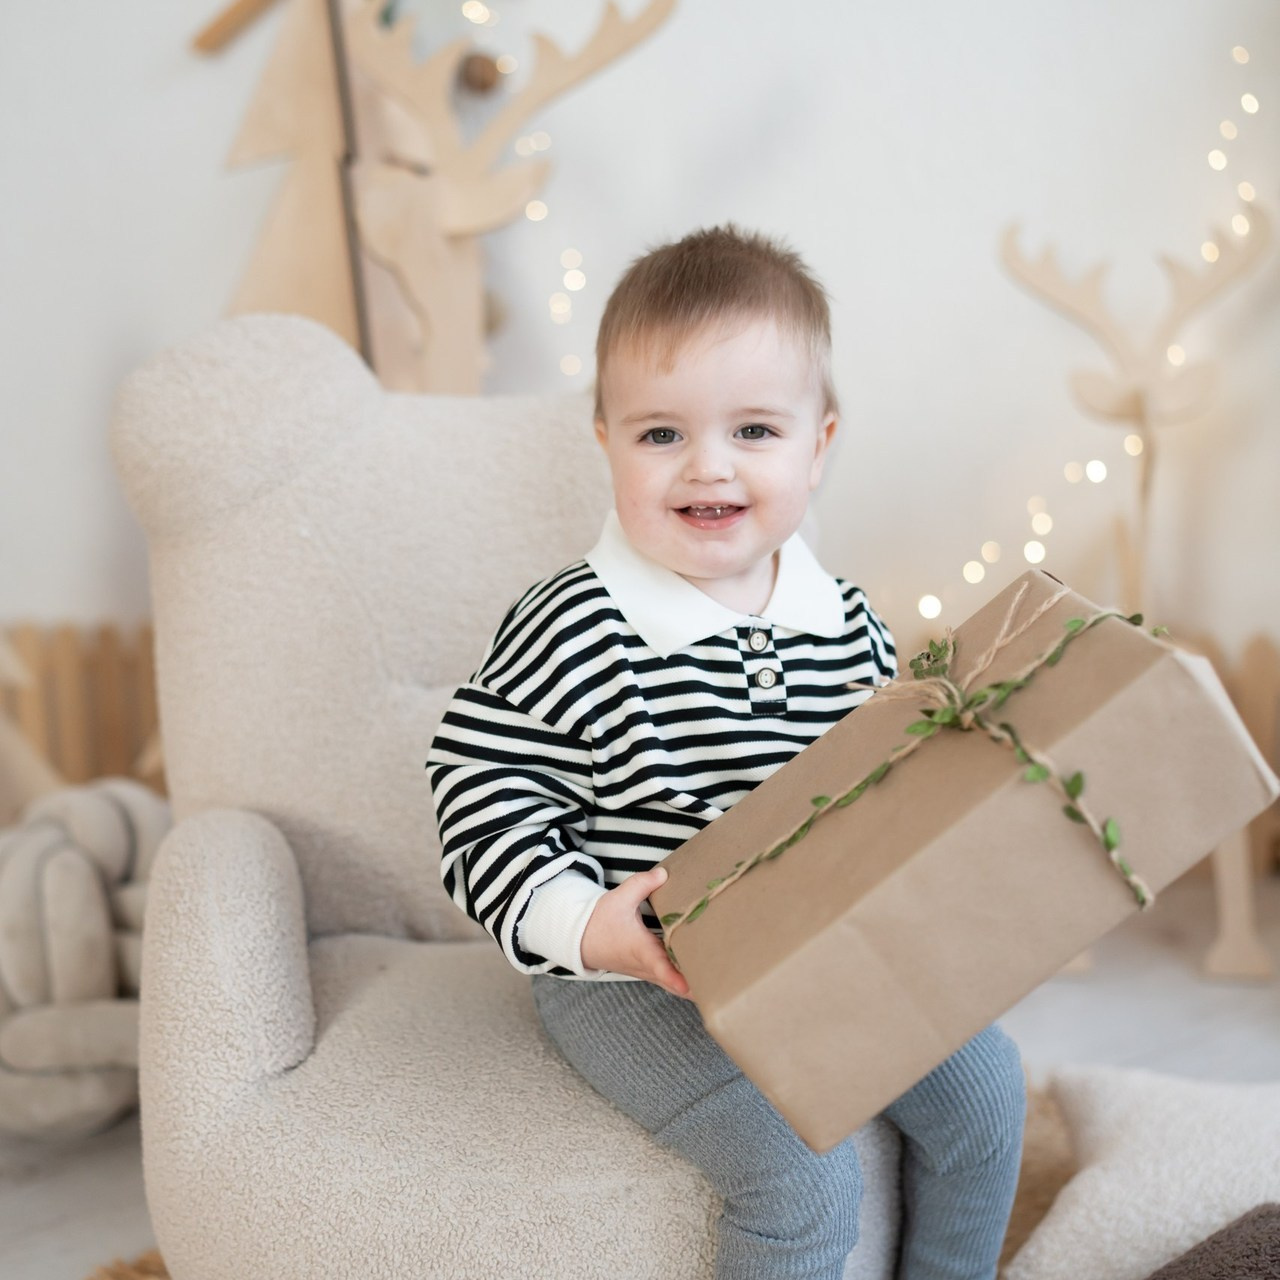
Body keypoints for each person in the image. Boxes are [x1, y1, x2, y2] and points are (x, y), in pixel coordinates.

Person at [426, 224, 1026, 1279]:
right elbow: (480, 787)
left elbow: (880, 794)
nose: (708, 464)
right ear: (605, 437)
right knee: (801, 1168)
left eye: (753, 429)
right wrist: (583, 924)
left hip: (822, 950)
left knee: (986, 1094)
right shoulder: (573, 623)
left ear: (818, 443)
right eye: (661, 434)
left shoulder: (843, 619)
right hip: (639, 978)